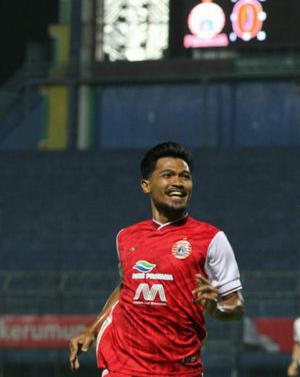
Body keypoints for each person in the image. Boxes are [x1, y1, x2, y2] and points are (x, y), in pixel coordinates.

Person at [68, 141, 244, 375]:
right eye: (168, 175)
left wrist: (217, 309)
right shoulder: (126, 237)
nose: (178, 183)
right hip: (125, 364)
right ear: (146, 185)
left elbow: (236, 303)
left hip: (180, 368)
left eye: (185, 177)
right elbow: (127, 286)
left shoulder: (212, 238)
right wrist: (92, 330)